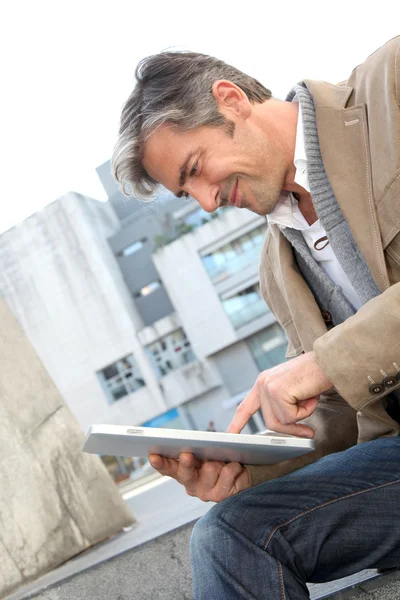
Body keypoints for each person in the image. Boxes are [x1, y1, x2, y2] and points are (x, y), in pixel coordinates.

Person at [112, 37, 400, 599]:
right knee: (228, 535)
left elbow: (327, 368)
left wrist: (323, 363)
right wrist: (251, 467)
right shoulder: (277, 266)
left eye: (196, 169)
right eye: (185, 192)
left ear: (231, 100)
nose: (205, 203)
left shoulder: (390, 87)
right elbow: (337, 415)